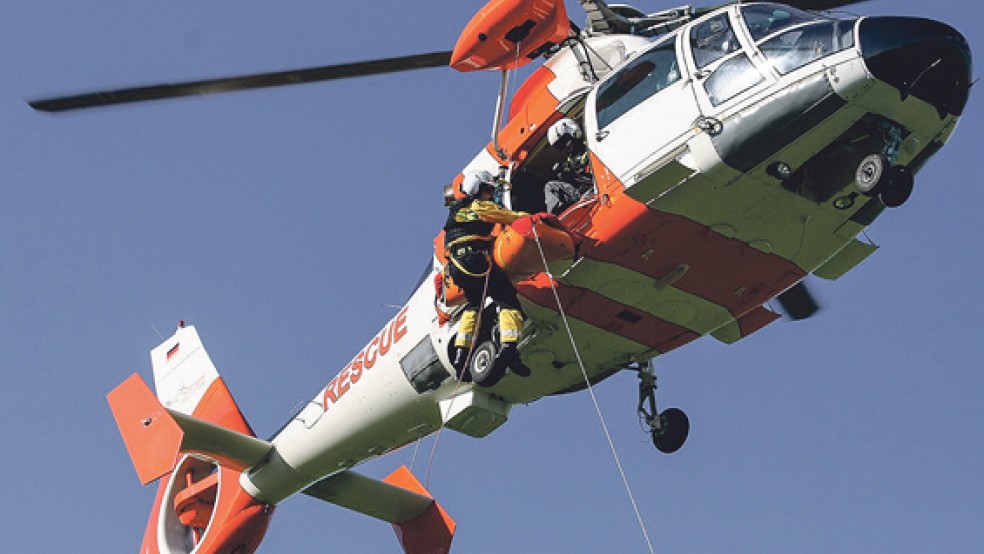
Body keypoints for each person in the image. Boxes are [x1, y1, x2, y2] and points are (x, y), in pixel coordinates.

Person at [444, 169, 531, 378]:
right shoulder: (480, 206)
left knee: (474, 305)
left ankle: (461, 354)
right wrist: (532, 217)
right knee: (507, 300)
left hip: (457, 267)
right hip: (475, 261)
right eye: (489, 190)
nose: (491, 194)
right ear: (479, 188)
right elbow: (509, 217)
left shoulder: (457, 211)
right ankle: (509, 348)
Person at [543, 118, 594, 214]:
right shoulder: (570, 159)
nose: (565, 147)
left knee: (584, 202)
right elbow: (571, 172)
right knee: (550, 186)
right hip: (580, 192)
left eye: (564, 142)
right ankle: (556, 213)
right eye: (560, 146)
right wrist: (562, 172)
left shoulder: (590, 144)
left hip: (595, 186)